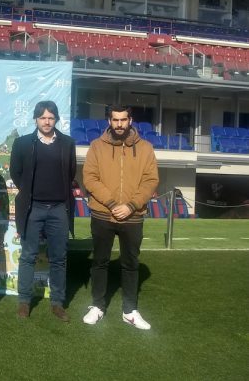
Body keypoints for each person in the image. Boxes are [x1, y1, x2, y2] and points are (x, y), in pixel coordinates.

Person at [82, 105, 159, 330]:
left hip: (133, 217)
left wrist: (131, 206)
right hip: (103, 214)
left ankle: (129, 310)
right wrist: (114, 204)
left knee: (130, 264)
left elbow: (150, 180)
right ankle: (97, 306)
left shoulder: (145, 148)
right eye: (115, 120)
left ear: (130, 120)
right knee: (100, 261)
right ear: (109, 121)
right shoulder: (97, 147)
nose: (119, 124)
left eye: (123, 120)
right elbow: (90, 178)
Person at [10, 100, 76, 322]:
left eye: (50, 117)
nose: (47, 122)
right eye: (42, 118)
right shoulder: (22, 143)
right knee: (28, 256)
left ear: (56, 119)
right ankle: (24, 302)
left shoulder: (67, 143)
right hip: (33, 208)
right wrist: (29, 192)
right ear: (35, 119)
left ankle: (57, 302)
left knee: (59, 258)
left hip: (59, 209)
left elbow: (71, 173)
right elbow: (16, 172)